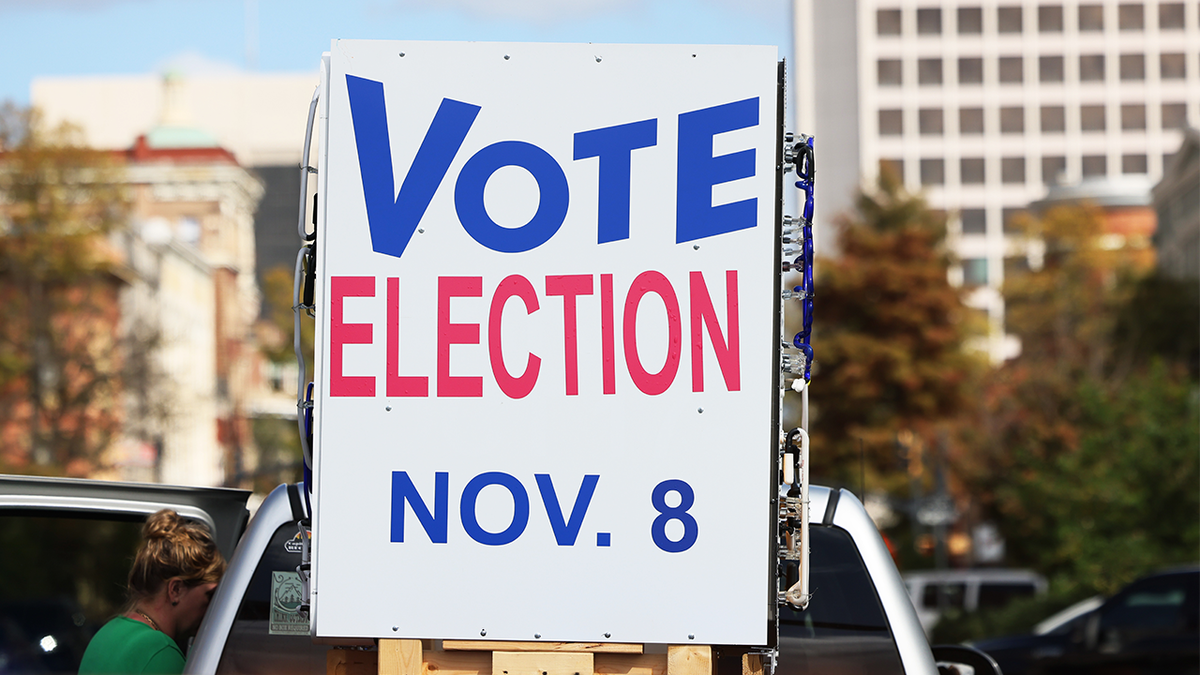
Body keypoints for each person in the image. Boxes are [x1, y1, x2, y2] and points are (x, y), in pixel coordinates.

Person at [78, 509, 226, 675]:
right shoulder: (160, 653)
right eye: (210, 595)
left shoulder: (106, 633)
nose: (213, 607)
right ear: (176, 590)